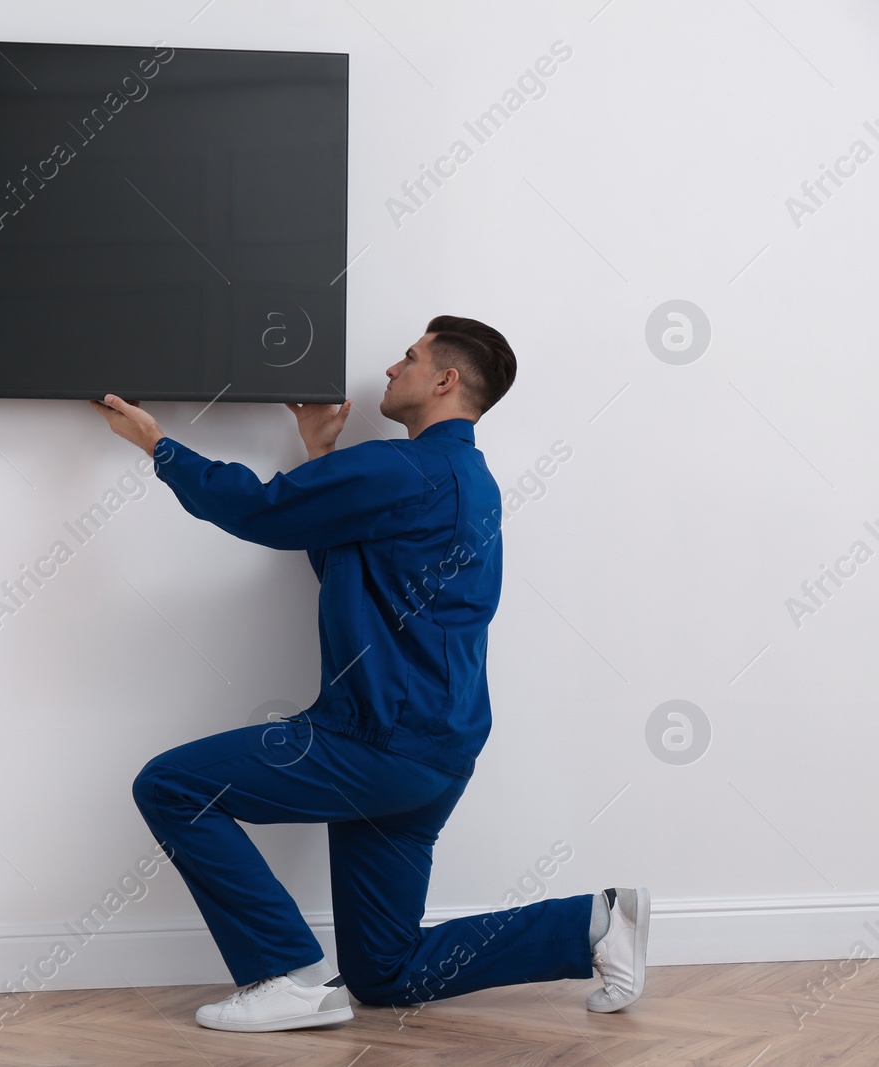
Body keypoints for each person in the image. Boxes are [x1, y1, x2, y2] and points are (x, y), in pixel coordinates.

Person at [90, 315, 649, 1033]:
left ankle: (286, 973)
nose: (391, 369)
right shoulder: (466, 480)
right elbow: (352, 573)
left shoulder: (402, 467)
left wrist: (156, 445)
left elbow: (261, 510)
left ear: (445, 380)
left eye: (409, 358)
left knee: (172, 786)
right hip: (433, 753)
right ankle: (595, 925)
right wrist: (320, 450)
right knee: (384, 971)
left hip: (378, 741)